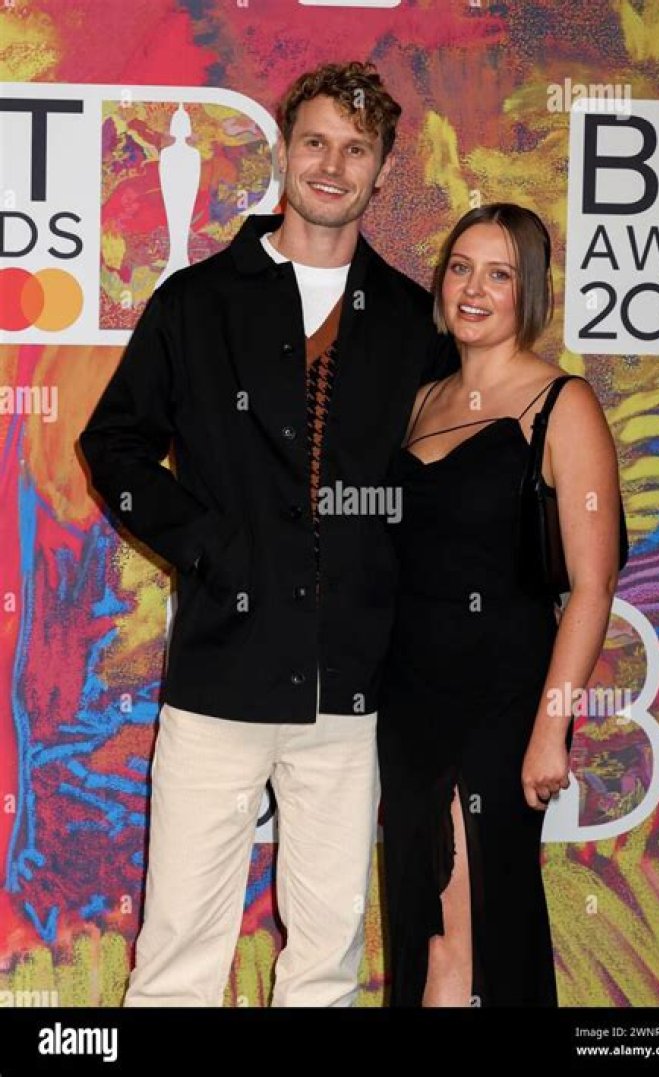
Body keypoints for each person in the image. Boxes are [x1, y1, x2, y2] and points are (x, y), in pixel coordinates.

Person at [79, 60, 457, 1008]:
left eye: (356, 149)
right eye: (316, 142)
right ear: (285, 150)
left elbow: (434, 493)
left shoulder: (413, 323)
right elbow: (114, 445)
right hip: (222, 673)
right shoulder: (197, 302)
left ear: (383, 170)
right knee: (178, 951)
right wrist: (209, 545)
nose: (332, 165)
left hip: (350, 686)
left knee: (326, 961)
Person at [377, 203, 623, 1007]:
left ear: (531, 292)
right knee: (424, 926)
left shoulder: (562, 402)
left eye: (499, 274)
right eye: (460, 268)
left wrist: (551, 725)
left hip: (504, 700)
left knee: (472, 923)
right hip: (410, 703)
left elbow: (593, 583)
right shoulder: (421, 401)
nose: (473, 289)